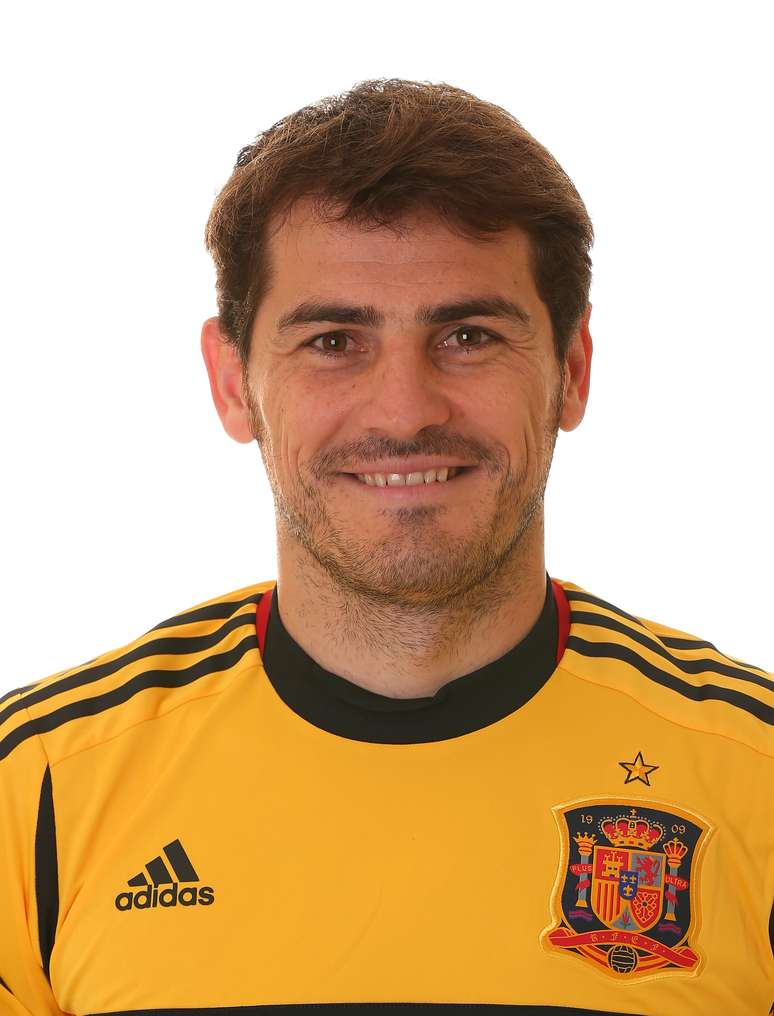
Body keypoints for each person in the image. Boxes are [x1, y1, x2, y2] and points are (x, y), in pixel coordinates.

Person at [1, 78, 771, 1016]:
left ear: (570, 372)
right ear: (233, 383)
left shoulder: (756, 776)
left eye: (469, 335)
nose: (405, 411)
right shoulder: (35, 791)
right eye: (333, 341)